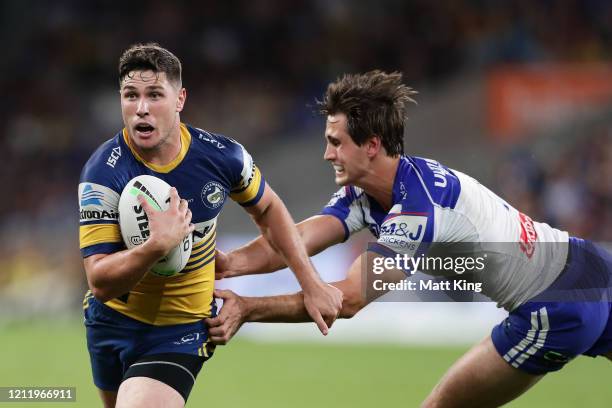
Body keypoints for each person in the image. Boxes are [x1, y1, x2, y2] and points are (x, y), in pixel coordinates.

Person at [207, 70, 612, 407]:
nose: (327, 154)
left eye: (335, 143)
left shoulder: (417, 210)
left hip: (554, 307)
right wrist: (227, 264)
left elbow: (347, 299)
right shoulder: (374, 191)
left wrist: (248, 308)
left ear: (371, 145)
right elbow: (296, 239)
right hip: (589, 263)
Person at [78, 43, 342, 408]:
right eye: (130, 95)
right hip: (111, 323)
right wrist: (157, 244)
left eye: (154, 94)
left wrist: (310, 283)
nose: (141, 108)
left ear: (179, 99)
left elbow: (270, 211)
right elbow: (99, 281)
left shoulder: (222, 156)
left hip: (181, 330)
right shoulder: (103, 172)